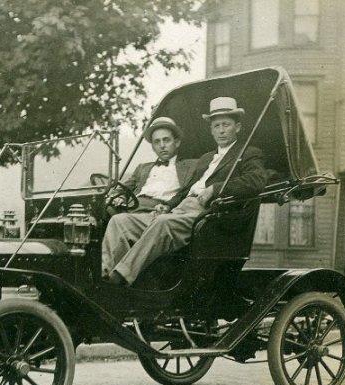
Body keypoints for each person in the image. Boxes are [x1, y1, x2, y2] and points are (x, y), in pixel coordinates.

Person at [103, 97, 270, 286]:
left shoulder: (248, 153)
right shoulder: (206, 158)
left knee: (162, 223)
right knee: (120, 221)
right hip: (180, 210)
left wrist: (214, 189)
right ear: (211, 130)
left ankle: (122, 277)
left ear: (237, 127)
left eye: (226, 124)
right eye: (216, 126)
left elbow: (256, 181)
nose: (221, 130)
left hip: (207, 214)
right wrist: (167, 206)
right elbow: (185, 191)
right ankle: (108, 276)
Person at [101, 116, 196, 276]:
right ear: (152, 146)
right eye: (157, 142)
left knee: (118, 221)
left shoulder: (192, 166)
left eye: (166, 140)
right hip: (135, 210)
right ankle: (109, 276)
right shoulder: (142, 168)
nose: (162, 146)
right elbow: (121, 188)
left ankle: (113, 277)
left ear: (177, 142)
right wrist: (120, 197)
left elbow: (192, 190)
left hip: (161, 212)